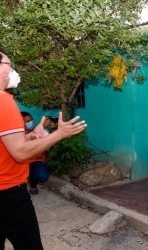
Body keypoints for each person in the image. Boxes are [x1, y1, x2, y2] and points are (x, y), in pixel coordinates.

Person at [0, 47, 87, 249]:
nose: (13, 70)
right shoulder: (4, 101)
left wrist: (30, 135)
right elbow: (19, 153)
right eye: (9, 65)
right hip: (8, 193)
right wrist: (59, 134)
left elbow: (7, 143)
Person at [21, 112, 50, 195]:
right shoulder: (18, 134)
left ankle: (32, 183)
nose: (30, 122)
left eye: (31, 120)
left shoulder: (41, 130)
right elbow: (23, 142)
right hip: (21, 163)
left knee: (42, 176)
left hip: (36, 161)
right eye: (27, 121)